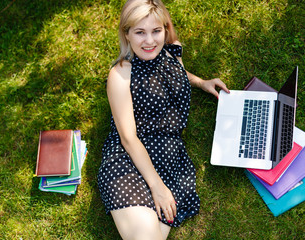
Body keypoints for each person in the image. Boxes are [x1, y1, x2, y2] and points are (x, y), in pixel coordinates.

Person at [97, 0, 230, 239]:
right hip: (128, 162)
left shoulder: (169, 51)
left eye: (156, 31)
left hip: (169, 160)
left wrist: (201, 82)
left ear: (165, 30)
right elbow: (128, 139)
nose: (150, 41)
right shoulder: (120, 75)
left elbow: (176, 72)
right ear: (126, 34)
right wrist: (158, 188)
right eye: (140, 32)